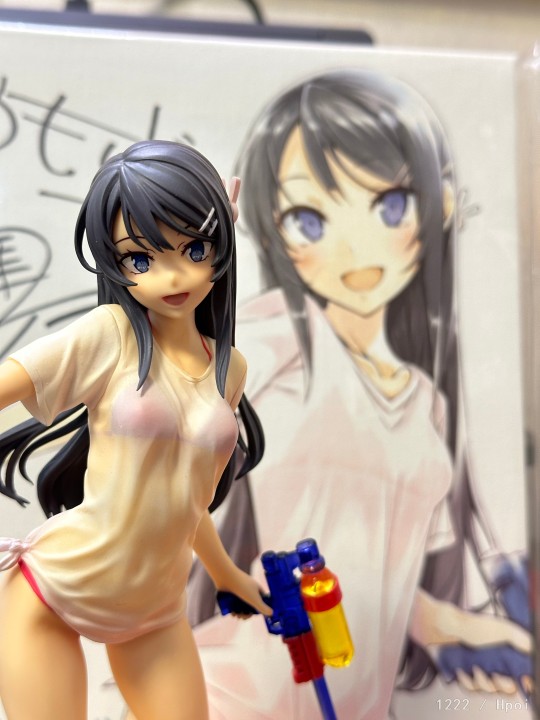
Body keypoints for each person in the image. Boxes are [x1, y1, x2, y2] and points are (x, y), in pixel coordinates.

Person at [192, 70, 532, 719]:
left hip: (351, 699)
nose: (354, 247)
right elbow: (173, 384)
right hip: (242, 692)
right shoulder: (279, 336)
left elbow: (377, 571)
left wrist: (451, 628)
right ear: (269, 228)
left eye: (390, 206)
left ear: (441, 206)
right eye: (309, 219)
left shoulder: (427, 403)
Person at [0, 139, 270, 720]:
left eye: (194, 248)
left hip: (155, 612)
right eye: (141, 260)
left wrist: (227, 575)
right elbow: (8, 383)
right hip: (55, 591)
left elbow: (187, 498)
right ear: (115, 263)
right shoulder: (110, 334)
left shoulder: (230, 369)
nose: (173, 275)